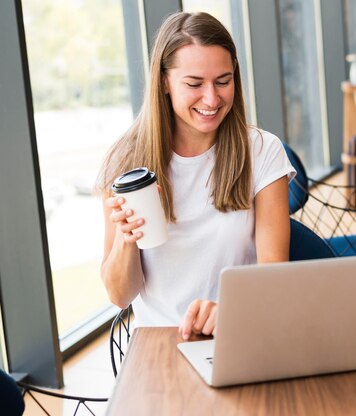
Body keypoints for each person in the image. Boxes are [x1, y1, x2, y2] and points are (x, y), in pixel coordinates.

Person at [96, 12, 295, 340]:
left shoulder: (262, 151)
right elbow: (120, 296)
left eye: (223, 81)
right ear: (164, 82)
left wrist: (231, 311)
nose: (212, 99)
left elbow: (274, 276)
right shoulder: (126, 162)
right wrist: (125, 237)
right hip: (160, 346)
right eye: (194, 84)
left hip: (240, 333)